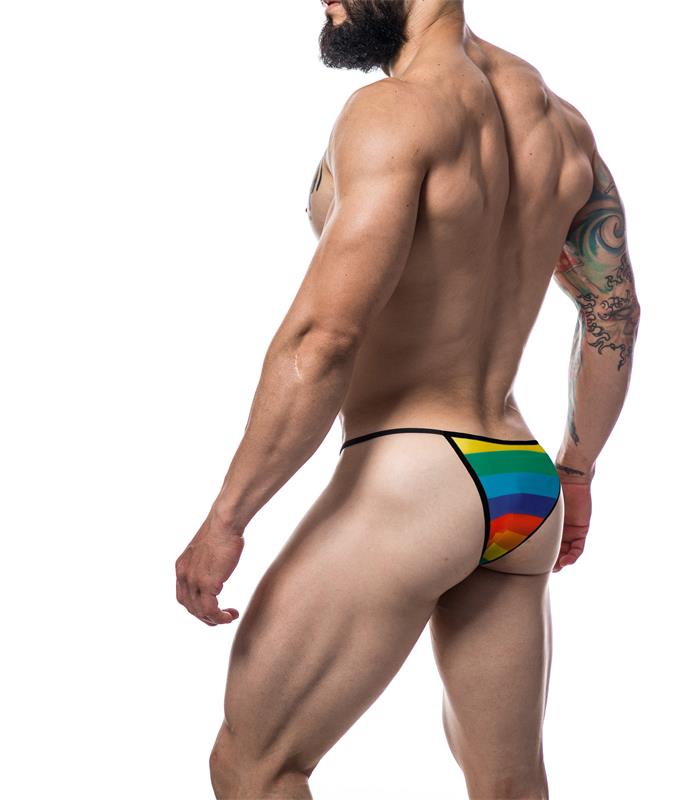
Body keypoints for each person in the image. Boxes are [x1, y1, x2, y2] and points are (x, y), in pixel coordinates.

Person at [174, 1, 641, 797]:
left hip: (415, 474)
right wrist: (578, 470)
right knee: (511, 787)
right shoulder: (563, 127)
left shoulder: (396, 111)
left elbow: (324, 337)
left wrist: (228, 516)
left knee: (254, 766)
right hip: (520, 481)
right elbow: (613, 308)